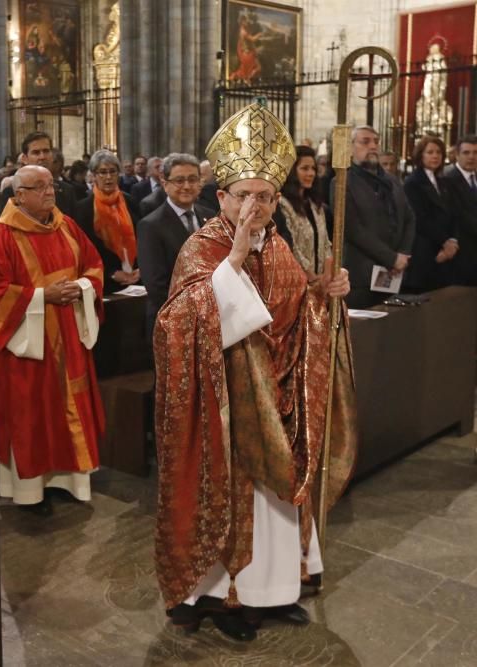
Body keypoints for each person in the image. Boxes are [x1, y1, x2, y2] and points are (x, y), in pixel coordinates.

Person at [154, 103, 356, 642]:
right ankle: (224, 595)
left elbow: (297, 302)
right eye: (244, 195)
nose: (255, 205)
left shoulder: (281, 244)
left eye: (265, 196)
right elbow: (177, 322)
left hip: (280, 395)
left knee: (276, 500)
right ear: (220, 197)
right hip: (225, 406)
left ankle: (276, 590)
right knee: (233, 496)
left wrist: (325, 294)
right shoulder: (203, 245)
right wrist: (234, 264)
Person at [0, 165, 105, 515]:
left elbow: (93, 267)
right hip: (27, 345)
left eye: (51, 186)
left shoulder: (67, 226)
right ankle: (31, 490)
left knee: (67, 406)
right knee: (32, 411)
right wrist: (41, 297)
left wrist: (79, 289)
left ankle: (69, 480)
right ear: (19, 195)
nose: (50, 192)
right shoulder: (3, 236)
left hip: (69, 333)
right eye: (40, 187)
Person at [137, 153, 215, 344]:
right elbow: (156, 285)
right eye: (179, 180)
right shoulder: (151, 225)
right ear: (165, 184)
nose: (187, 186)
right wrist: (193, 312)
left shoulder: (211, 216)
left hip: (210, 319)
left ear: (200, 183)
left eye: (192, 179)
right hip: (171, 321)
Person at [340, 126, 415, 308]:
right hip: (362, 275)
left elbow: (409, 218)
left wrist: (403, 254)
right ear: (350, 148)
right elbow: (353, 229)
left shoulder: (392, 181)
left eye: (376, 141)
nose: (373, 146)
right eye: (365, 142)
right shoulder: (343, 182)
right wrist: (391, 258)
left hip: (392, 273)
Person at [74, 149, 140, 294]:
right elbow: (85, 251)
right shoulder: (83, 208)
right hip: (105, 283)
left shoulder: (131, 202)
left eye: (113, 171)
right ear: (93, 176)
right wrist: (111, 272)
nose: (108, 177)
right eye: (102, 172)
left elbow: (142, 238)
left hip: (136, 281)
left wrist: (141, 268)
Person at [403, 136, 457, 292]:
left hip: (446, 249)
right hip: (425, 249)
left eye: (439, 152)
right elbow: (419, 218)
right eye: (430, 152)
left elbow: (453, 213)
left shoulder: (443, 181)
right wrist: (444, 242)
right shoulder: (413, 182)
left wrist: (452, 240)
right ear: (421, 155)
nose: (435, 156)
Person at [273, 145, 332, 277]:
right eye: (304, 168)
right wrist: (311, 277)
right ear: (292, 171)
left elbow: (325, 243)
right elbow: (290, 246)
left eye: (313, 169)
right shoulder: (282, 203)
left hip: (320, 280)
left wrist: (327, 277)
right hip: (296, 278)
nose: (311, 173)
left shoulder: (315, 204)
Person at [0, 132, 78, 217]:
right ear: (25, 159)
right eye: (36, 153)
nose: (42, 157)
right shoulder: (12, 192)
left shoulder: (67, 191)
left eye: (46, 151)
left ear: (52, 155)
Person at [443, 135, 477, 286]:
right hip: (461, 254)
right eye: (466, 152)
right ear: (457, 155)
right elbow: (458, 215)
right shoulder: (448, 179)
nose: (471, 157)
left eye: (475, 153)